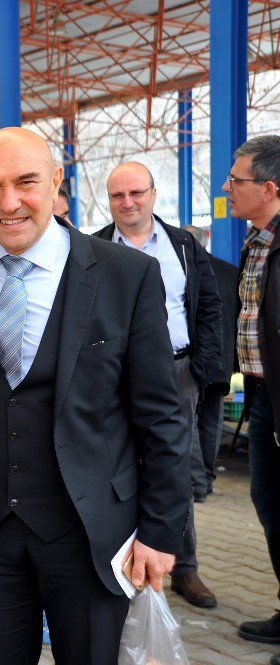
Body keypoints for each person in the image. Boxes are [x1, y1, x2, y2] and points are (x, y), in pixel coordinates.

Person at [0, 127, 189, 665]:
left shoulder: (126, 274)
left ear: (55, 183)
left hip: (91, 527)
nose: (9, 203)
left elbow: (162, 414)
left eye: (26, 182)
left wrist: (162, 532)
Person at [94, 161, 223, 609]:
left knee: (174, 470)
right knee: (116, 469)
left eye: (136, 193)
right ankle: (117, 565)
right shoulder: (91, 249)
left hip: (176, 373)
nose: (127, 203)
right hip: (114, 379)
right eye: (118, 196)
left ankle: (184, 568)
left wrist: (202, 367)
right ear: (107, 201)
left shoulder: (183, 245)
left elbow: (209, 306)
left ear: (153, 194)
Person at [222, 136, 280, 658]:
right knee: (270, 504)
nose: (227, 188)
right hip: (261, 395)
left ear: (269, 186)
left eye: (236, 181)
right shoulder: (255, 241)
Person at [184, 224, 239, 499]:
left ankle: (197, 483)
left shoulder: (182, 272)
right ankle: (207, 477)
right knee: (211, 420)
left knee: (188, 420)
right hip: (222, 361)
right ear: (205, 241)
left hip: (191, 360)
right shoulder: (231, 273)